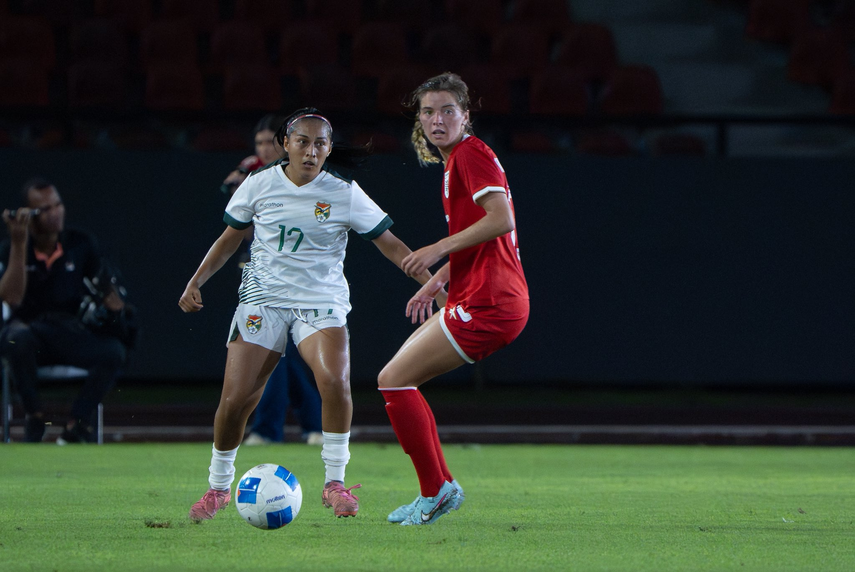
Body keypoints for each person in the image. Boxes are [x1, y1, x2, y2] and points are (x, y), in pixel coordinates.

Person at [179, 107, 445, 521]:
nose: (311, 150)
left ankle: (335, 484)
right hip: (263, 299)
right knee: (234, 402)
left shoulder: (343, 191)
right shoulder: (259, 184)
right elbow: (230, 239)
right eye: (302, 141)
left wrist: (432, 284)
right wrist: (196, 280)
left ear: (328, 148)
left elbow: (392, 244)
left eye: (320, 143)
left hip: (320, 301)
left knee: (335, 381)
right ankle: (217, 489)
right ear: (285, 144)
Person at [377, 72, 529, 525]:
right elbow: (485, 239)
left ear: (466, 115)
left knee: (394, 379)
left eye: (447, 111)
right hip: (483, 294)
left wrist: (438, 248)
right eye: (427, 111)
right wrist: (441, 278)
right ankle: (439, 489)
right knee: (397, 380)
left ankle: (437, 491)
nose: (436, 120)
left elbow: (500, 220)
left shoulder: (469, 154)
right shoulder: (457, 161)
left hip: (491, 302)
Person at [0, 178, 132, 444]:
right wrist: (18, 243)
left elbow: (106, 288)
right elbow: (11, 298)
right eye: (46, 209)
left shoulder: (80, 244)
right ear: (31, 215)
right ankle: (35, 417)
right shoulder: (13, 249)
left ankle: (77, 424)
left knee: (113, 351)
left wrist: (113, 302)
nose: (56, 212)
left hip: (68, 332)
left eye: (58, 205)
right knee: (15, 338)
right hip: (30, 335)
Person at [221, 113, 324, 447]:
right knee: (280, 355)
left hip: (297, 276)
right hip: (261, 276)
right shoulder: (254, 175)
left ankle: (268, 428)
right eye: (259, 142)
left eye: (270, 142)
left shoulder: (297, 177)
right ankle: (312, 423)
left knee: (270, 353)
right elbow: (240, 228)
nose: (264, 149)